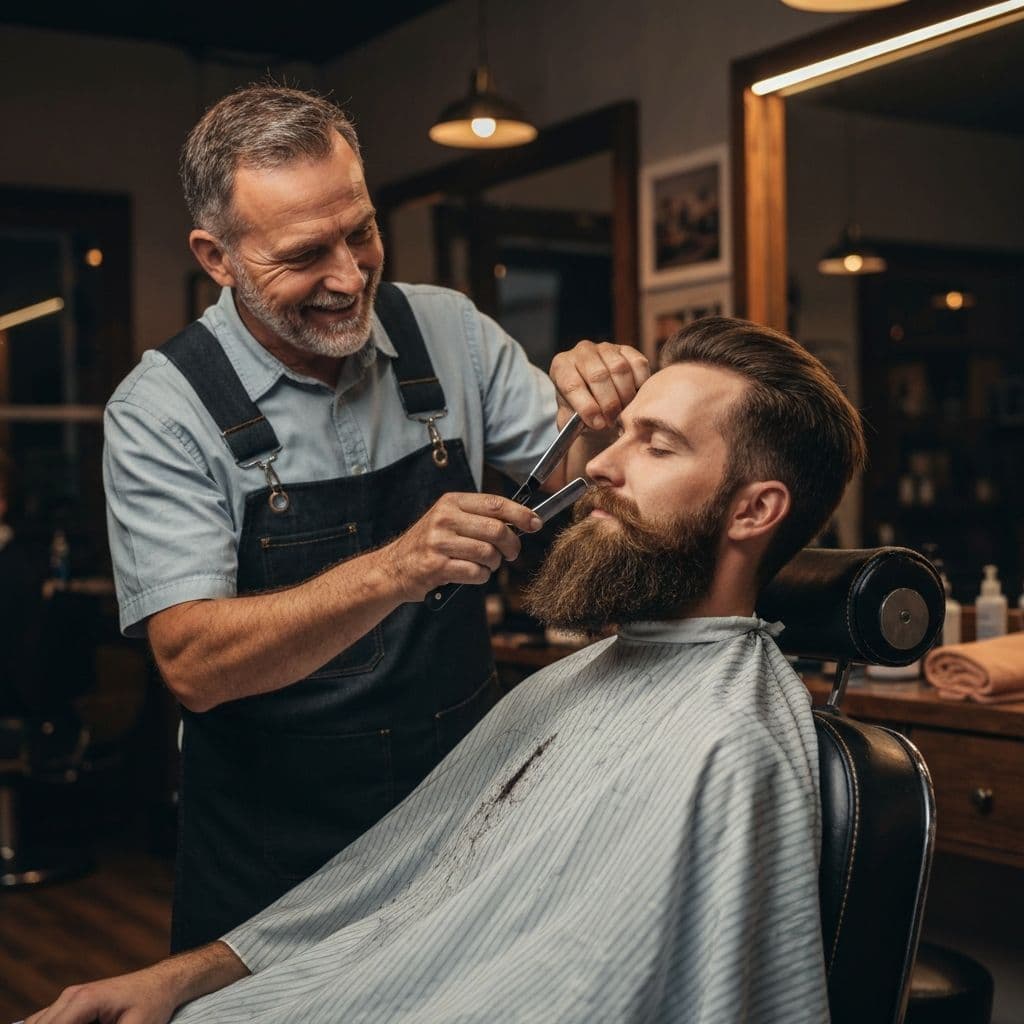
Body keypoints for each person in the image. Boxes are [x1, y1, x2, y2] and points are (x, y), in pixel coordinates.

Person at [30, 315, 866, 1024]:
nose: (600, 465)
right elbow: (388, 892)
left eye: (658, 444)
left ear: (755, 509)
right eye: (619, 432)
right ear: (215, 256)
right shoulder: (576, 684)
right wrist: (174, 979)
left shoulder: (727, 746)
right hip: (266, 847)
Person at [101, 83, 647, 951]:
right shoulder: (162, 411)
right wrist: (398, 569)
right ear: (216, 256)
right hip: (276, 853)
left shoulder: (448, 331)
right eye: (306, 253)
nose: (350, 276)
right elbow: (194, 662)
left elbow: (583, 470)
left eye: (360, 231)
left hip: (460, 817)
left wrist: (604, 411)